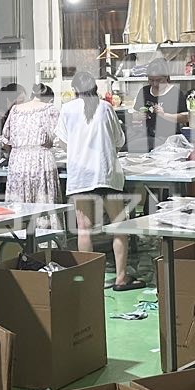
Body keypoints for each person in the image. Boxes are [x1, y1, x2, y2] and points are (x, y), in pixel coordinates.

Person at [57, 71, 137, 290]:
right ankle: (120, 278)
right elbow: (119, 140)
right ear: (95, 88)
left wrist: (77, 150)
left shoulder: (67, 109)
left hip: (80, 176)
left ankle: (89, 280)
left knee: (84, 229)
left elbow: (63, 142)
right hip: (106, 173)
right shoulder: (106, 107)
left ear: (75, 90)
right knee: (119, 227)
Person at [1, 84, 61, 206]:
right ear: (50, 99)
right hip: (41, 161)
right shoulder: (50, 109)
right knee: (43, 204)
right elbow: (61, 138)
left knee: (19, 205)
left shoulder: (15, 110)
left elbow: (5, 140)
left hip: (18, 161)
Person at [138, 59, 189, 150]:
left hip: (168, 137)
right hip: (148, 134)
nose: (154, 84)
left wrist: (164, 115)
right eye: (151, 80)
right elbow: (136, 114)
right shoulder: (144, 91)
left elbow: (185, 117)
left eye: (158, 80)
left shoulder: (175, 93)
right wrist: (139, 116)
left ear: (166, 77)